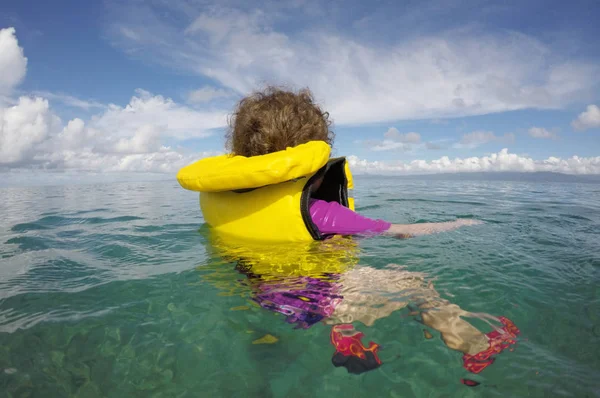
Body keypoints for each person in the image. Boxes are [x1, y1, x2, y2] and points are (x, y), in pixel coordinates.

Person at [180, 85, 520, 375]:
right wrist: (460, 223)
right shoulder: (323, 214)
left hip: (265, 298)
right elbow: (402, 232)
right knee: (415, 283)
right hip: (318, 302)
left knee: (328, 258)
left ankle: (345, 331)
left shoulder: (220, 204)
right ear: (317, 164)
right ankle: (475, 346)